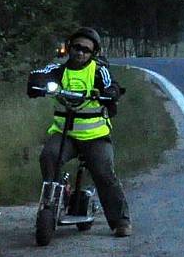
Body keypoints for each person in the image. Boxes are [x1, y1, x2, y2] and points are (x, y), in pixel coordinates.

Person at [26, 27, 132, 237]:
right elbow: (37, 75)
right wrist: (39, 85)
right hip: (64, 134)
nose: (80, 53)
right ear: (69, 48)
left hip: (95, 136)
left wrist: (110, 93)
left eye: (86, 50)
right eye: (76, 47)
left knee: (103, 172)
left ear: (93, 53)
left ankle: (120, 220)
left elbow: (112, 85)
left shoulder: (99, 71)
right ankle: (52, 203)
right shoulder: (57, 69)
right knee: (49, 157)